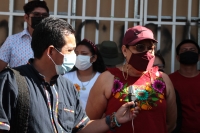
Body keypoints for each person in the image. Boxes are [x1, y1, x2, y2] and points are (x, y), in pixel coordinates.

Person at [0, 17, 139, 133]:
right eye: (71, 50)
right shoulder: (12, 82)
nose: (74, 56)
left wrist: (114, 119)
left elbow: (82, 127)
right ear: (51, 52)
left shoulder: (67, 86)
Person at [86, 25, 177, 133]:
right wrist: (114, 120)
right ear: (125, 50)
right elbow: (87, 125)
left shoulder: (162, 79)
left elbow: (170, 124)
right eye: (140, 47)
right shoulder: (107, 79)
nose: (146, 53)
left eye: (150, 48)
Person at [0, 0, 49, 71]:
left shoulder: (54, 41)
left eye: (44, 15)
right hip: (18, 81)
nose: (41, 18)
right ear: (26, 18)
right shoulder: (12, 41)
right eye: (36, 15)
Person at [63, 39, 106, 110]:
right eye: (76, 54)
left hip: (94, 120)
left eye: (84, 54)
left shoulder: (101, 79)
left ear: (94, 58)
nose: (79, 57)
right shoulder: (66, 78)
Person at [169, 39, 200, 133]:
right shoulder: (168, 80)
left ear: (198, 57)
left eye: (192, 50)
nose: (189, 52)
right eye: (184, 50)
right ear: (177, 57)